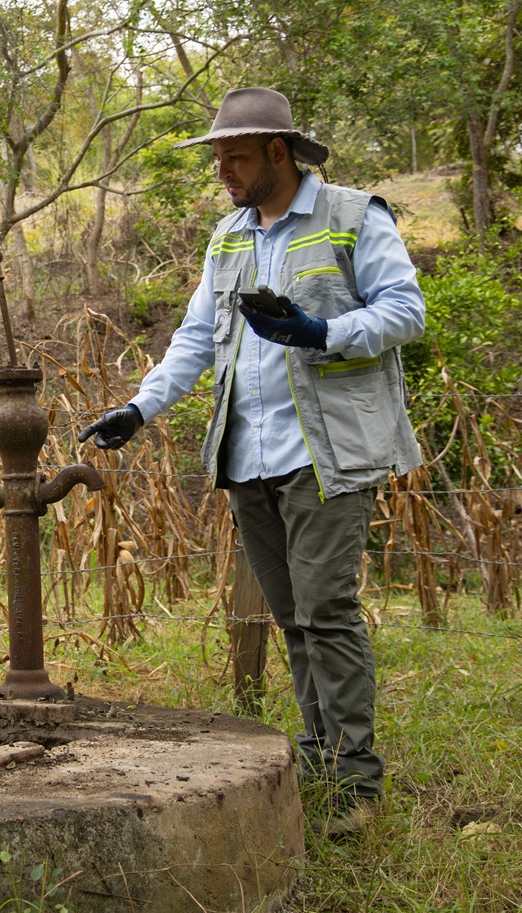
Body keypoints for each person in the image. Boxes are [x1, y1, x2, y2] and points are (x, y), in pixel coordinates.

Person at [78, 88, 425, 837]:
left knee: (327, 610)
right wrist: (141, 408)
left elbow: (404, 312)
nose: (222, 172)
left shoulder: (355, 216)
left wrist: (319, 331)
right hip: (250, 452)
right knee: (292, 617)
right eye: (217, 158)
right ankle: (318, 761)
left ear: (278, 151)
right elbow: (198, 338)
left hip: (328, 451)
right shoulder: (229, 237)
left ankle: (358, 786)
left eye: (233, 156)